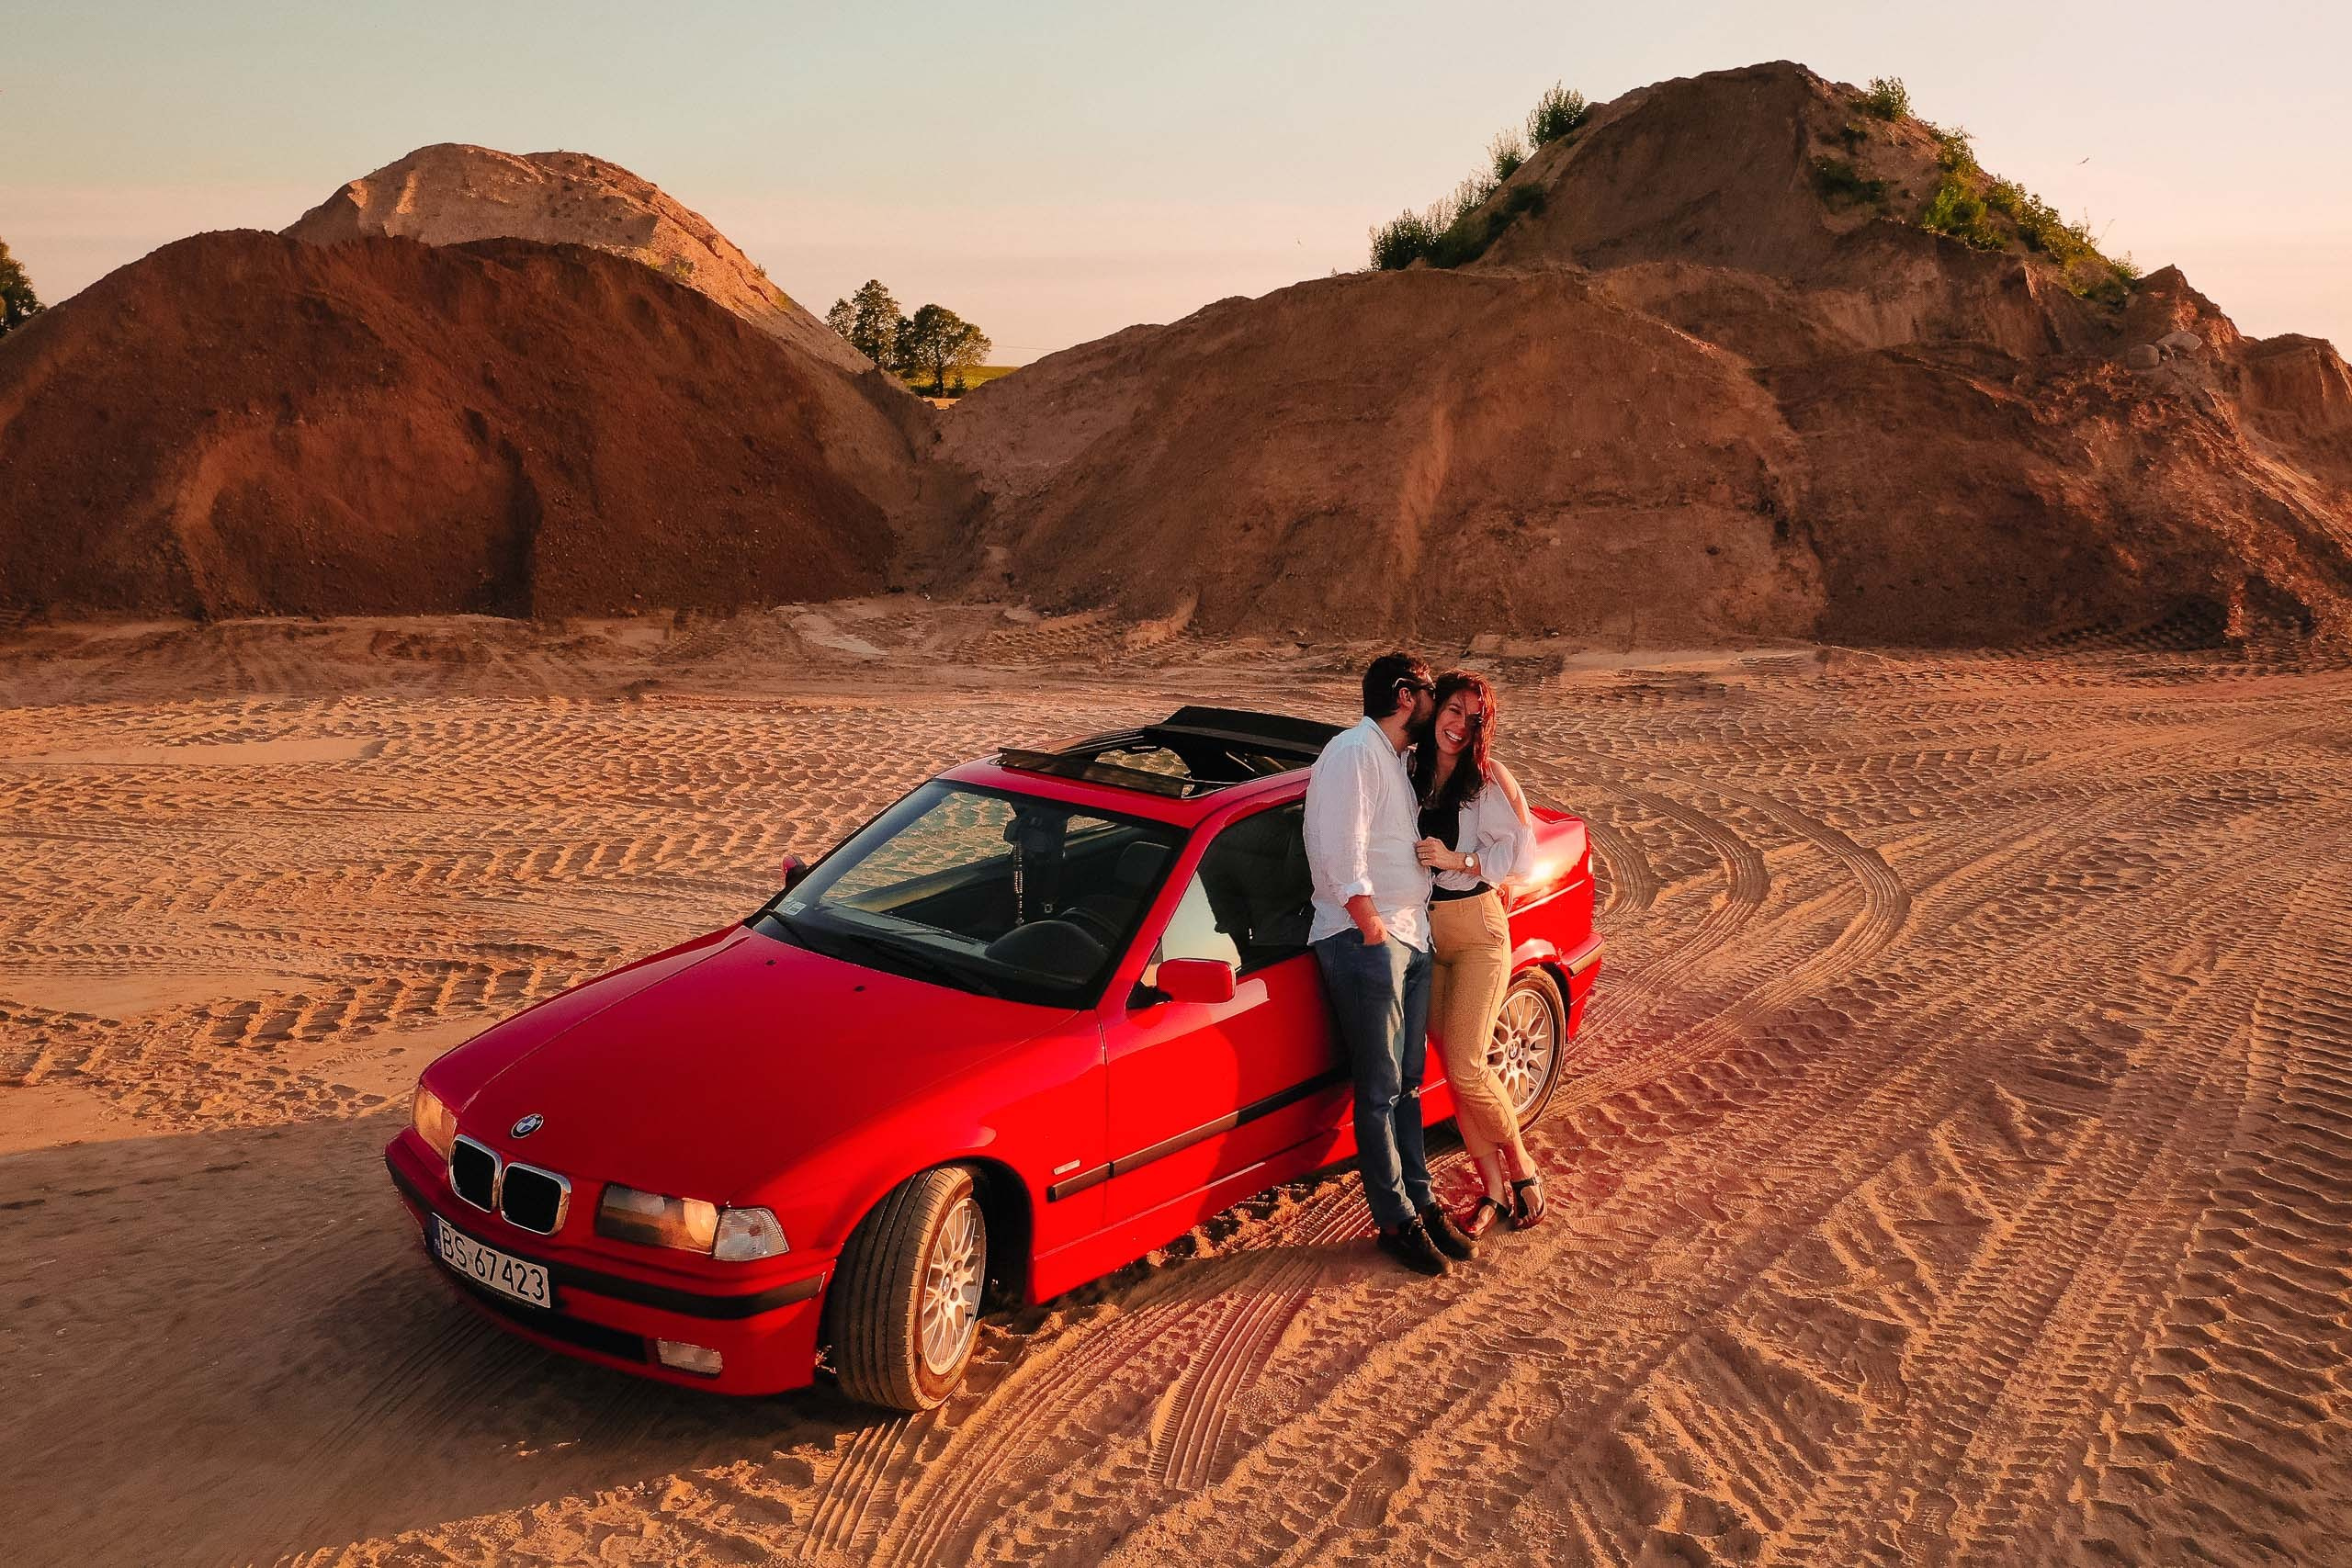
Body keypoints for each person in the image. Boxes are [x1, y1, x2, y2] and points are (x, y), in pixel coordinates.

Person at [1304, 652, 1477, 1278]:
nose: (1435, 703)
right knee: (1378, 1090)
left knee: (1408, 1085)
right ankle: (1395, 1218)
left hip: (1409, 935)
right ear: (1406, 696)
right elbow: (1337, 846)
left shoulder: (1397, 761)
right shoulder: (1352, 751)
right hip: (1364, 939)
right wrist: (1371, 925)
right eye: (1431, 693)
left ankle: (1422, 1200)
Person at [1412, 671, 1548, 1235]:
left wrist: (1458, 860)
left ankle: (1521, 1170)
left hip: (1478, 935)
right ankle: (1490, 1187)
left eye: (1473, 718)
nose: (1459, 725)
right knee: (1456, 1068)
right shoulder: (1411, 769)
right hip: (1427, 933)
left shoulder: (1488, 779)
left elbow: (1523, 856)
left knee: (1468, 1065)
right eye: (1452, 709)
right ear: (1434, 709)